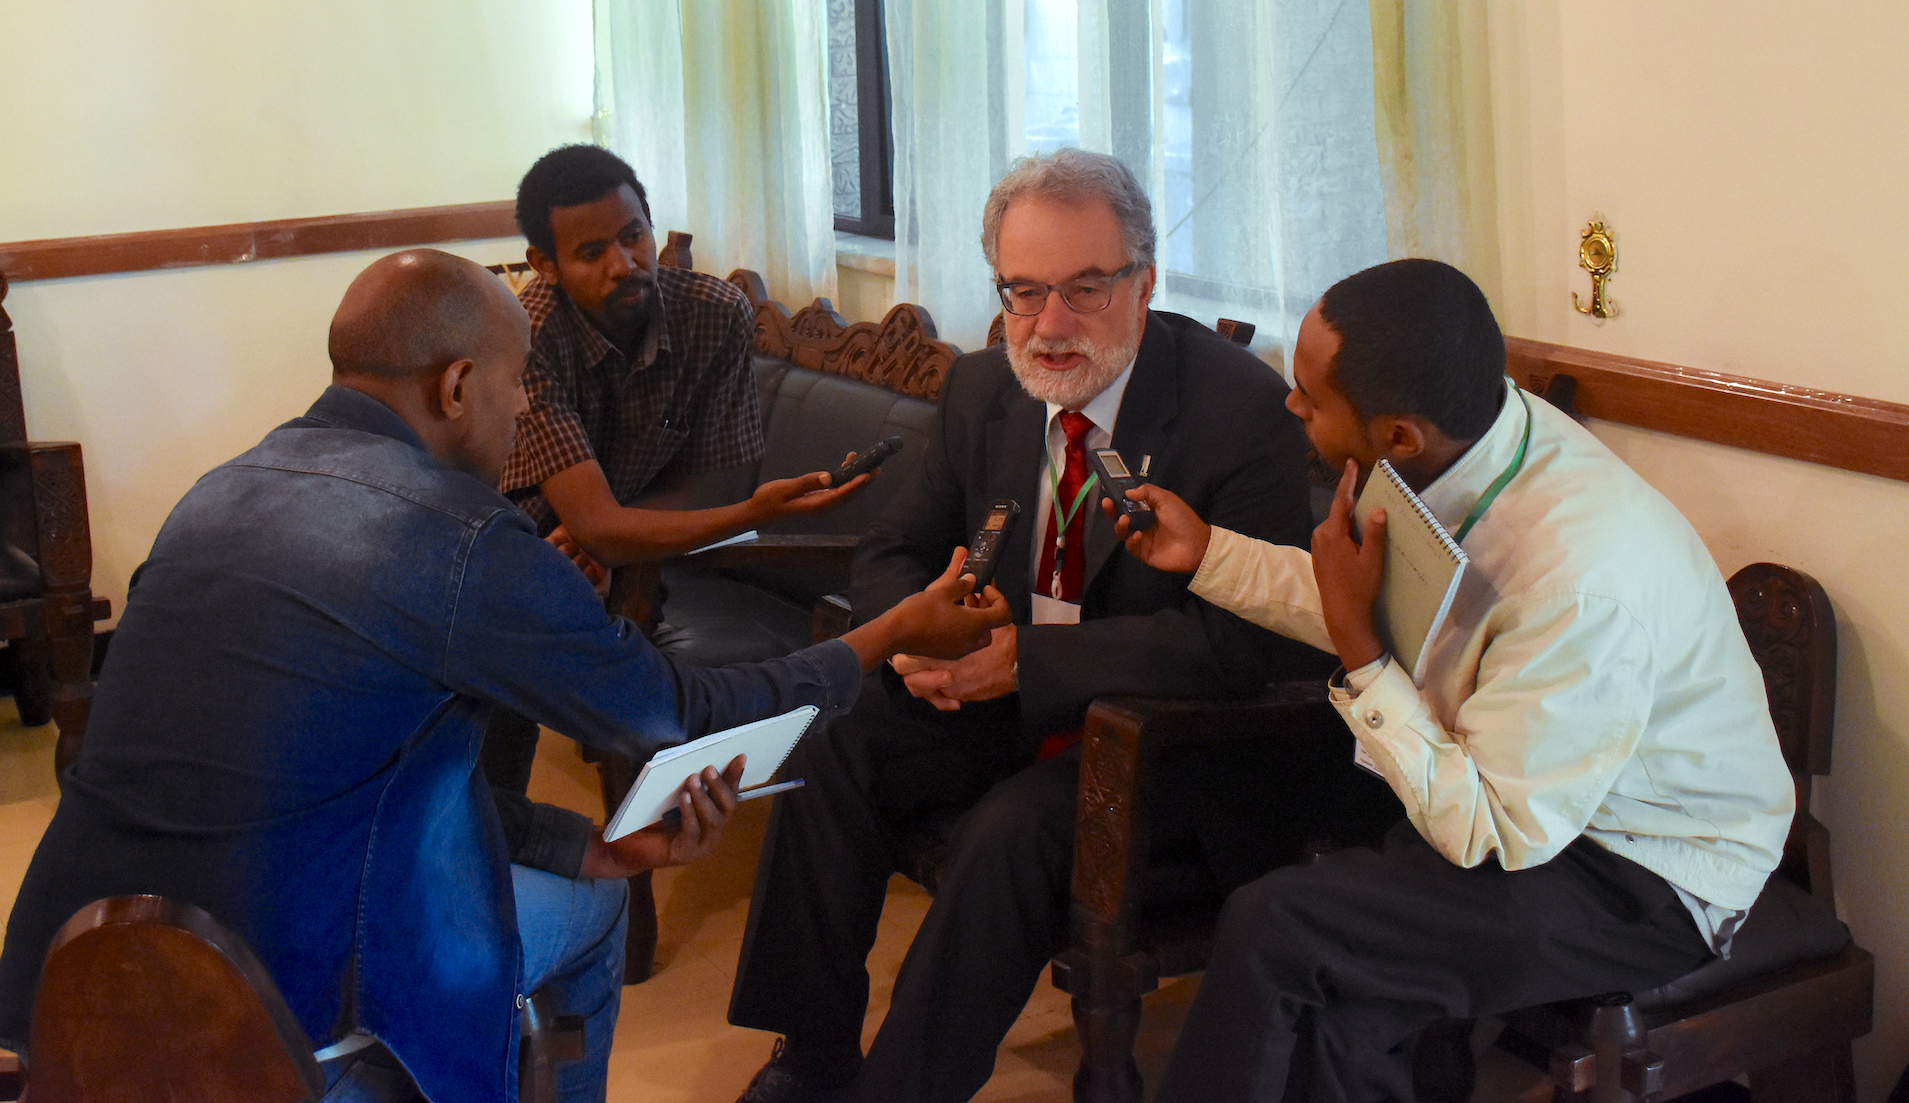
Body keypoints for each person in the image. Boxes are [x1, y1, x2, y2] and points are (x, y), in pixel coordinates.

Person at [0, 250, 1007, 1103]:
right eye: (516, 381)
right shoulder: (459, 536)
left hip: (65, 999)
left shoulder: (218, 493)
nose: (522, 405)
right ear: (452, 387)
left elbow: (350, 751)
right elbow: (681, 712)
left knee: (580, 878)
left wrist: (591, 839)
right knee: (589, 918)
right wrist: (890, 630)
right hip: (265, 1030)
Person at [726, 149, 1391, 1103]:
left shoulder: (1236, 411)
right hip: (1005, 699)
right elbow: (890, 548)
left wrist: (1025, 661)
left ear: (1146, 281)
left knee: (1009, 833)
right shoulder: (983, 388)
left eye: (1085, 288)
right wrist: (919, 636)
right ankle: (813, 1055)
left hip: (1167, 744)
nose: (1050, 325)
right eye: (1024, 292)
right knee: (835, 737)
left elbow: (1246, 645)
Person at [1115, 258, 1796, 1102]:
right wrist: (1209, 552)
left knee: (1277, 923)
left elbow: (1493, 830)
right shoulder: (1466, 442)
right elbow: (1363, 599)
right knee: (1340, 993)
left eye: (1309, 396)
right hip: (1526, 789)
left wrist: (1364, 653)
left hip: (1642, 870)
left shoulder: (1575, 579)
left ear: (1398, 432)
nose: (1291, 406)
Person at [485, 143, 875, 860]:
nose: (624, 264)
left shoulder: (713, 313)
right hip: (515, 542)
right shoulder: (526, 334)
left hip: (639, 546)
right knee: (505, 632)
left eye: (634, 236)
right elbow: (600, 520)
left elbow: (705, 478)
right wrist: (746, 514)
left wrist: (610, 531)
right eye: (591, 251)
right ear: (545, 265)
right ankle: (502, 852)